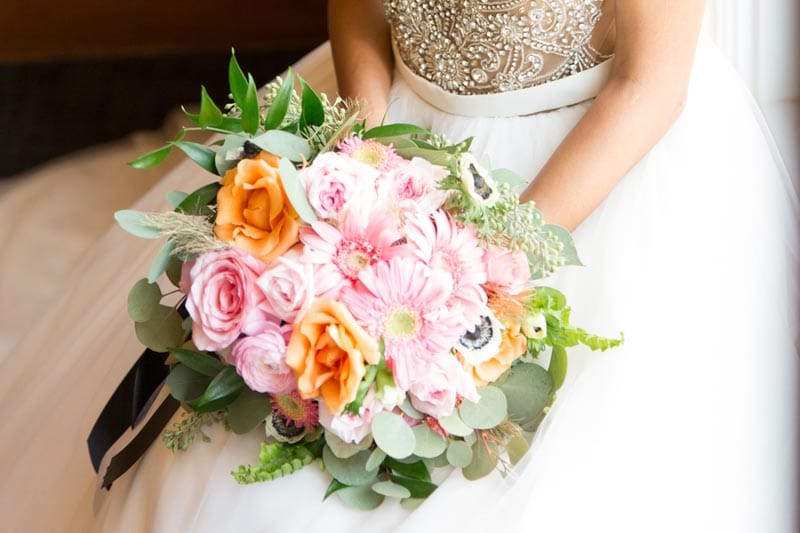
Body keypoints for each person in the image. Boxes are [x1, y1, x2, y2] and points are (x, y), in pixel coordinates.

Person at [93, 1, 799, 531]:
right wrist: (354, 176)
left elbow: (649, 86)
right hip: (400, 129)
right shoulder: (368, 152)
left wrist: (486, 275)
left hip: (584, 167)